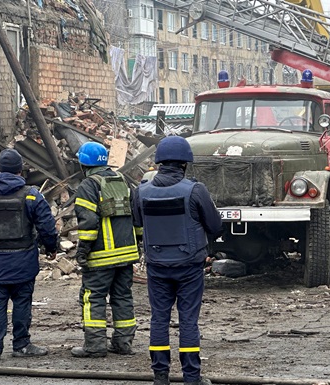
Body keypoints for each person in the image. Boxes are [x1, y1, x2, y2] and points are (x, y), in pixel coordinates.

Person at [132, 136, 222, 385]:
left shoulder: (141, 191)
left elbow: (137, 222)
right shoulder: (195, 190)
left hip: (157, 266)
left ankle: (160, 376)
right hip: (190, 266)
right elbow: (215, 226)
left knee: (159, 318)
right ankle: (192, 377)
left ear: (159, 162)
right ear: (185, 163)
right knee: (188, 320)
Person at [0, 148, 58, 360]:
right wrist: (50, 248)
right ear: (20, 170)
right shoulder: (31, 194)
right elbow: (47, 225)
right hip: (24, 258)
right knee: (22, 301)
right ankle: (21, 344)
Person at [71, 142, 140, 358]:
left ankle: (95, 346)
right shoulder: (123, 181)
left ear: (84, 163)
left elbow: (89, 221)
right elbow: (137, 216)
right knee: (122, 296)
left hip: (101, 256)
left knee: (93, 297)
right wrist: (139, 243)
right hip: (127, 253)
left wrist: (83, 250)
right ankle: (123, 343)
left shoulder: (88, 186)